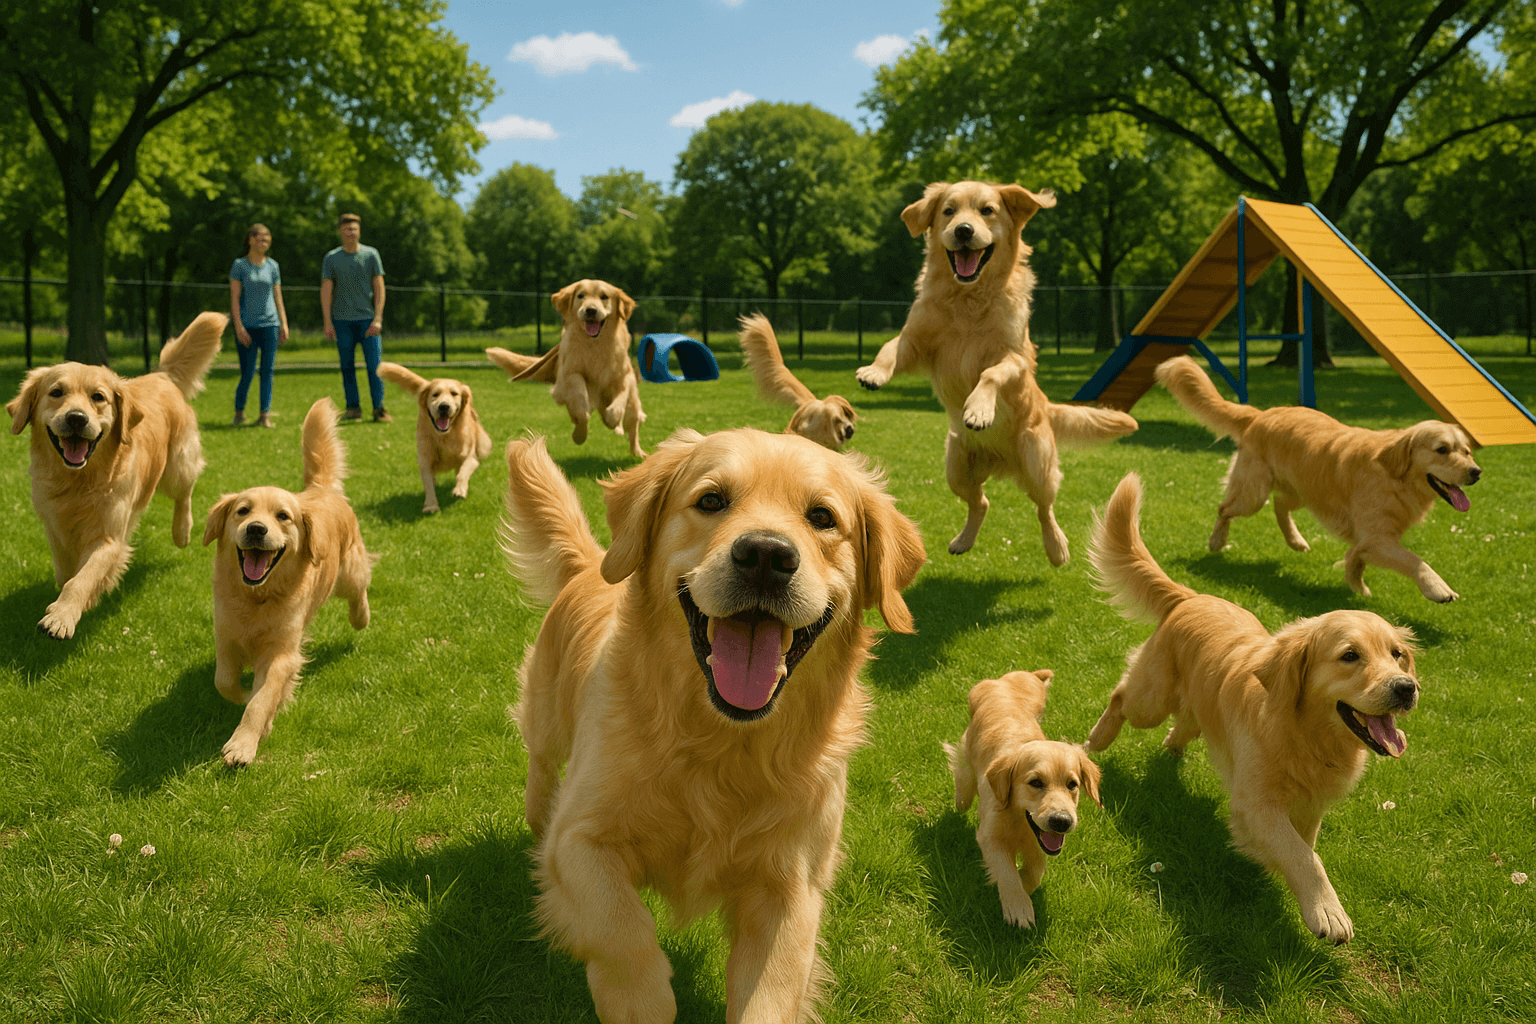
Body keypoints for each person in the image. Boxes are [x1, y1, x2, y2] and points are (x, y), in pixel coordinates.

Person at [320, 213, 391, 422]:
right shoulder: (332, 258)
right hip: (342, 321)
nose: (351, 232)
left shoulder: (371, 255)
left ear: (359, 231)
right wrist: (327, 321)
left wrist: (378, 318)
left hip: (368, 320)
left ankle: (379, 409)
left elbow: (379, 287)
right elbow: (326, 290)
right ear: (340, 231)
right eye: (347, 229)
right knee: (346, 366)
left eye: (354, 229)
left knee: (375, 367)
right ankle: (353, 408)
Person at [229, 223, 289, 427]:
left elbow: (278, 297)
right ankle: (239, 413)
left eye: (267, 238)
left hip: (270, 325)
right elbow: (235, 299)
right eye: (260, 238)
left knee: (267, 371)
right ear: (250, 240)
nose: (264, 242)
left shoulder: (273, 266)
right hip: (248, 326)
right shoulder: (239, 265)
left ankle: (265, 415)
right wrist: (239, 327)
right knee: (247, 372)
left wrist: (283, 323)